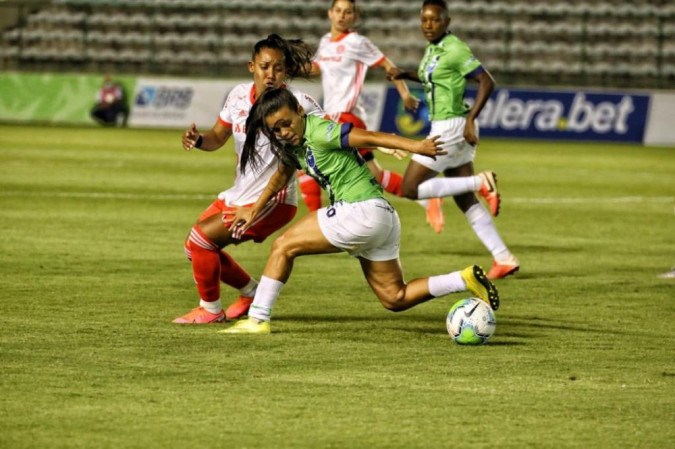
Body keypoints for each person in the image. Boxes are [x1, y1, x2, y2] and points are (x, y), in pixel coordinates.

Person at [219, 88, 499, 334]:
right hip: (382, 218)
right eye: (275, 129)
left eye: (286, 123)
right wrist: (252, 210)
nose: (283, 132)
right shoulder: (294, 145)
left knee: (283, 246)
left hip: (360, 210)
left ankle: (257, 319)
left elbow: (367, 136)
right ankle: (463, 279)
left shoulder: (320, 131)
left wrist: (417, 146)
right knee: (395, 297)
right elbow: (280, 177)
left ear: (299, 112)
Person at [172, 34, 324, 324]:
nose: (271, 74)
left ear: (286, 70)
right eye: (265, 67)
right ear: (251, 66)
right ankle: (251, 292)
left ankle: (211, 310)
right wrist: (199, 139)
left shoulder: (299, 103)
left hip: (273, 199)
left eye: (278, 68)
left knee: (201, 239)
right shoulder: (238, 95)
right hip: (240, 193)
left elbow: (323, 136)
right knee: (195, 248)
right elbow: (218, 136)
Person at [387, 0, 519, 280]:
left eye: (434, 20)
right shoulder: (433, 50)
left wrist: (472, 118)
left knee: (410, 188)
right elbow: (433, 78)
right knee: (465, 200)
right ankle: (503, 258)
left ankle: (481, 182)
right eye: (424, 20)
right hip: (452, 127)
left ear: (447, 21)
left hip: (451, 126)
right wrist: (404, 74)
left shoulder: (456, 48)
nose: (428, 25)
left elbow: (486, 81)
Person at [301, 0, 446, 234]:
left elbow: (388, 65)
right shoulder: (326, 42)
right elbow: (316, 68)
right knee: (375, 175)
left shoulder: (357, 43)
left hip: (344, 114)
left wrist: (405, 94)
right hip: (338, 114)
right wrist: (286, 67)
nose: (342, 15)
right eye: (338, 11)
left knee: (306, 157)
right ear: (330, 13)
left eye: (348, 12)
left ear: (354, 16)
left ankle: (314, 222)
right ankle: (427, 197)